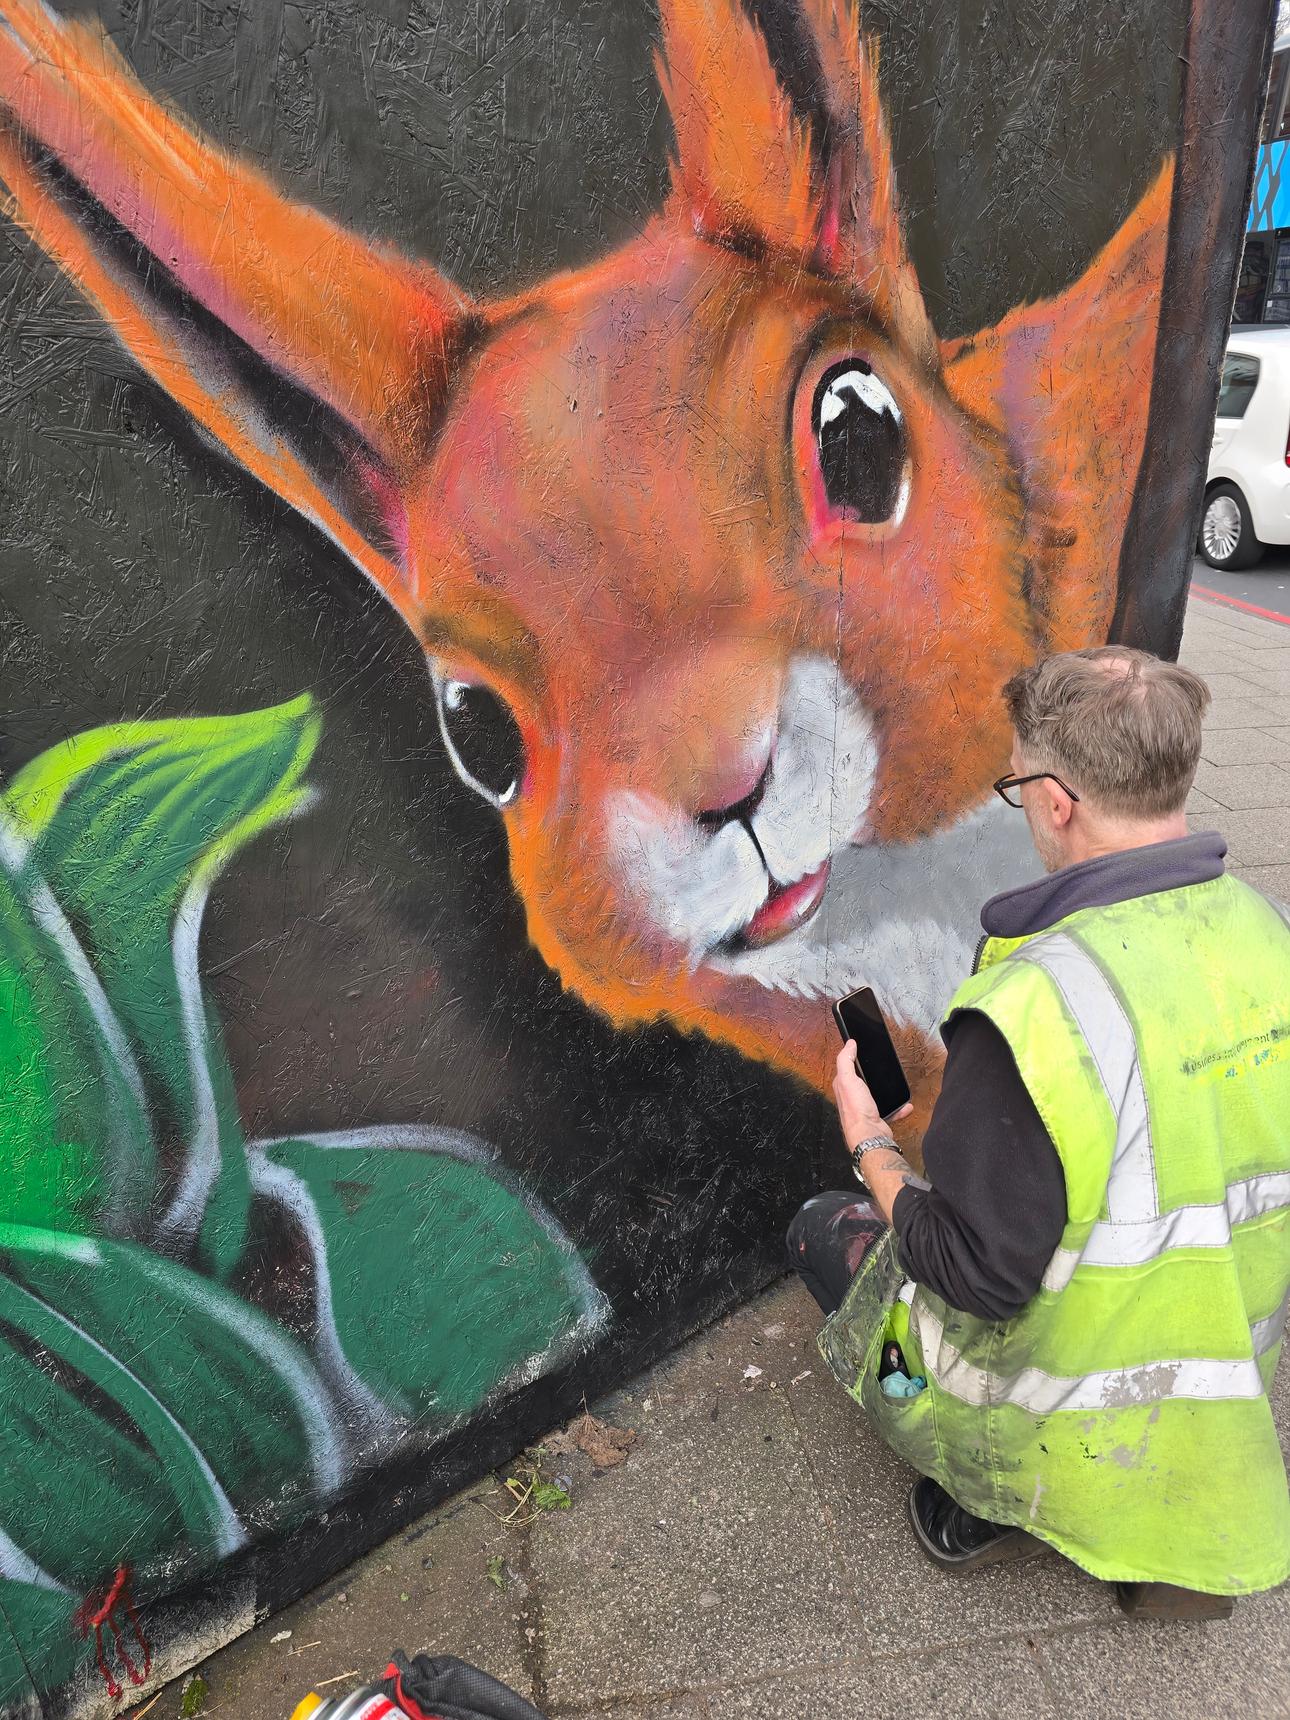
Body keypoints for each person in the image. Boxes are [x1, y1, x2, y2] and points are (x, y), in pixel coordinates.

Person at [790, 646, 1290, 1618]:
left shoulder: (1038, 1005)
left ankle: (993, 1492)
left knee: (825, 1232)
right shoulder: (1266, 930)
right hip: (1217, 1357)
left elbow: (973, 1271)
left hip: (1066, 1400)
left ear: (1057, 802)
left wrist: (871, 1143)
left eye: (1017, 785)